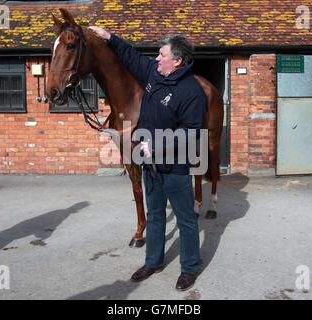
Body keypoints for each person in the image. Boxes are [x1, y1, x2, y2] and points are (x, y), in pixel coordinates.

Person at [89, 26, 207, 291]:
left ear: (176, 61)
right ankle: (153, 261)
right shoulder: (154, 74)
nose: (157, 58)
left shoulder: (191, 92)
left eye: (161, 54)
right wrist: (110, 38)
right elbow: (132, 57)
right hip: (150, 166)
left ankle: (190, 267)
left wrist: (159, 145)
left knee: (186, 218)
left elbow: (192, 134)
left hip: (175, 168)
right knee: (154, 215)